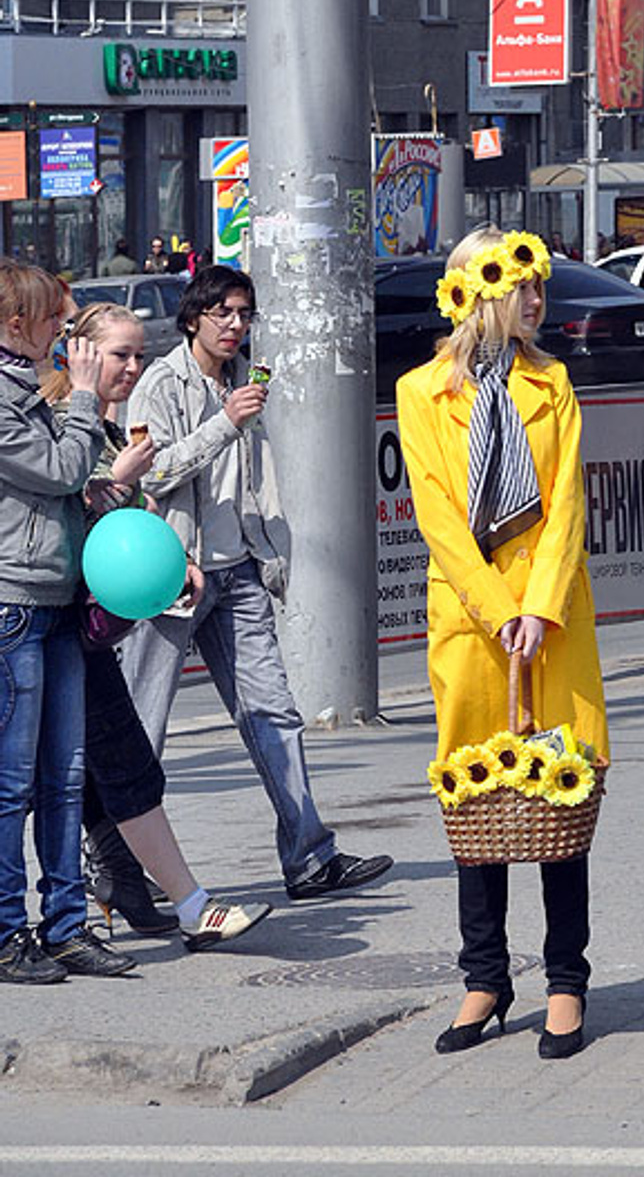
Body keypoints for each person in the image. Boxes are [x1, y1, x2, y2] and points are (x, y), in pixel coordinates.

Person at [115, 265, 392, 902]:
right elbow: (152, 474)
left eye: (245, 314)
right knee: (142, 725)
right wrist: (225, 423)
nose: (236, 326)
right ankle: (120, 868)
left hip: (238, 569)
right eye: (224, 314)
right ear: (194, 318)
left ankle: (310, 856)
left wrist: (272, 550)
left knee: (274, 713)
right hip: (172, 572)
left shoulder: (246, 379)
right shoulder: (163, 383)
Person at [396, 227, 609, 1058]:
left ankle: (566, 982)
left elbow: (567, 504)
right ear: (478, 293)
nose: (536, 300)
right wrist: (497, 609)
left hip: (551, 618)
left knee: (560, 797)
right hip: (471, 619)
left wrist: (540, 607)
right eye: (521, 286)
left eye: (539, 285)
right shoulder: (422, 392)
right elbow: (438, 516)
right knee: (476, 801)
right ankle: (484, 977)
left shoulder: (551, 382)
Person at [42, 302, 271, 952]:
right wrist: (119, 481)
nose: (133, 368)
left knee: (97, 772)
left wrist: (176, 562)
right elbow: (61, 515)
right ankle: (184, 905)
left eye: (139, 355)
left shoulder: (109, 427)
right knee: (114, 767)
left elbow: (129, 523)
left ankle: (127, 890)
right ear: (81, 354)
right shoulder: (62, 424)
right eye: (121, 354)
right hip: (56, 626)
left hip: (83, 630)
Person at [0, 263, 135, 983]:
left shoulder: (29, 389)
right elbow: (56, 468)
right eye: (55, 317)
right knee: (12, 786)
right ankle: (6, 933)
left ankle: (65, 925)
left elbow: (67, 479)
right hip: (14, 604)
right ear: (16, 323)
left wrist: (95, 492)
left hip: (55, 599)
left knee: (64, 778)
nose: (66, 330)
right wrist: (83, 396)